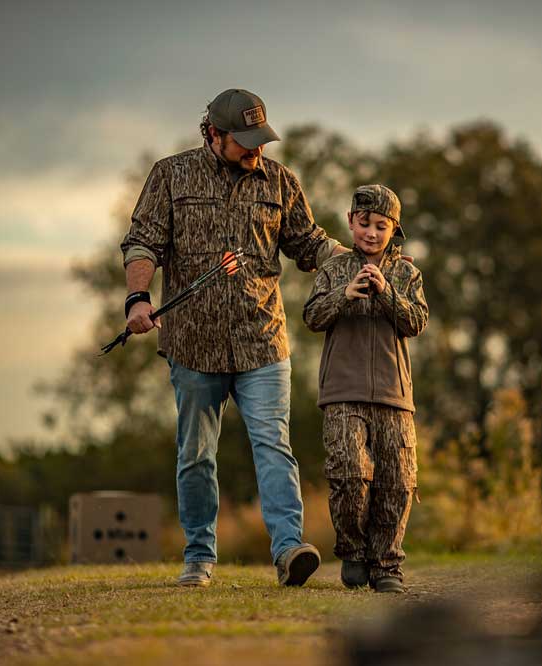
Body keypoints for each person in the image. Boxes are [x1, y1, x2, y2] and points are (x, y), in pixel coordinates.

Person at [120, 88, 346, 588]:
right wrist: (137, 300)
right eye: (244, 141)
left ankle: (289, 551)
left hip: (262, 340)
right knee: (196, 454)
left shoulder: (281, 181)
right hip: (193, 346)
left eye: (260, 140)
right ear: (213, 135)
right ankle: (199, 557)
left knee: (274, 444)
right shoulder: (170, 175)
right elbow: (142, 242)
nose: (255, 150)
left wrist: (358, 259)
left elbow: (309, 243)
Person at [302, 185, 428, 593]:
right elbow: (312, 317)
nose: (371, 233)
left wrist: (387, 293)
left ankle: (387, 564)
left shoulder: (407, 273)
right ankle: (354, 554)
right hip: (342, 392)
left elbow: (416, 323)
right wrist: (345, 293)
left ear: (394, 229)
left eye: (381, 226)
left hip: (394, 396)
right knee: (349, 474)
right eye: (364, 224)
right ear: (351, 221)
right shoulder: (334, 270)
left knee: (397, 481)